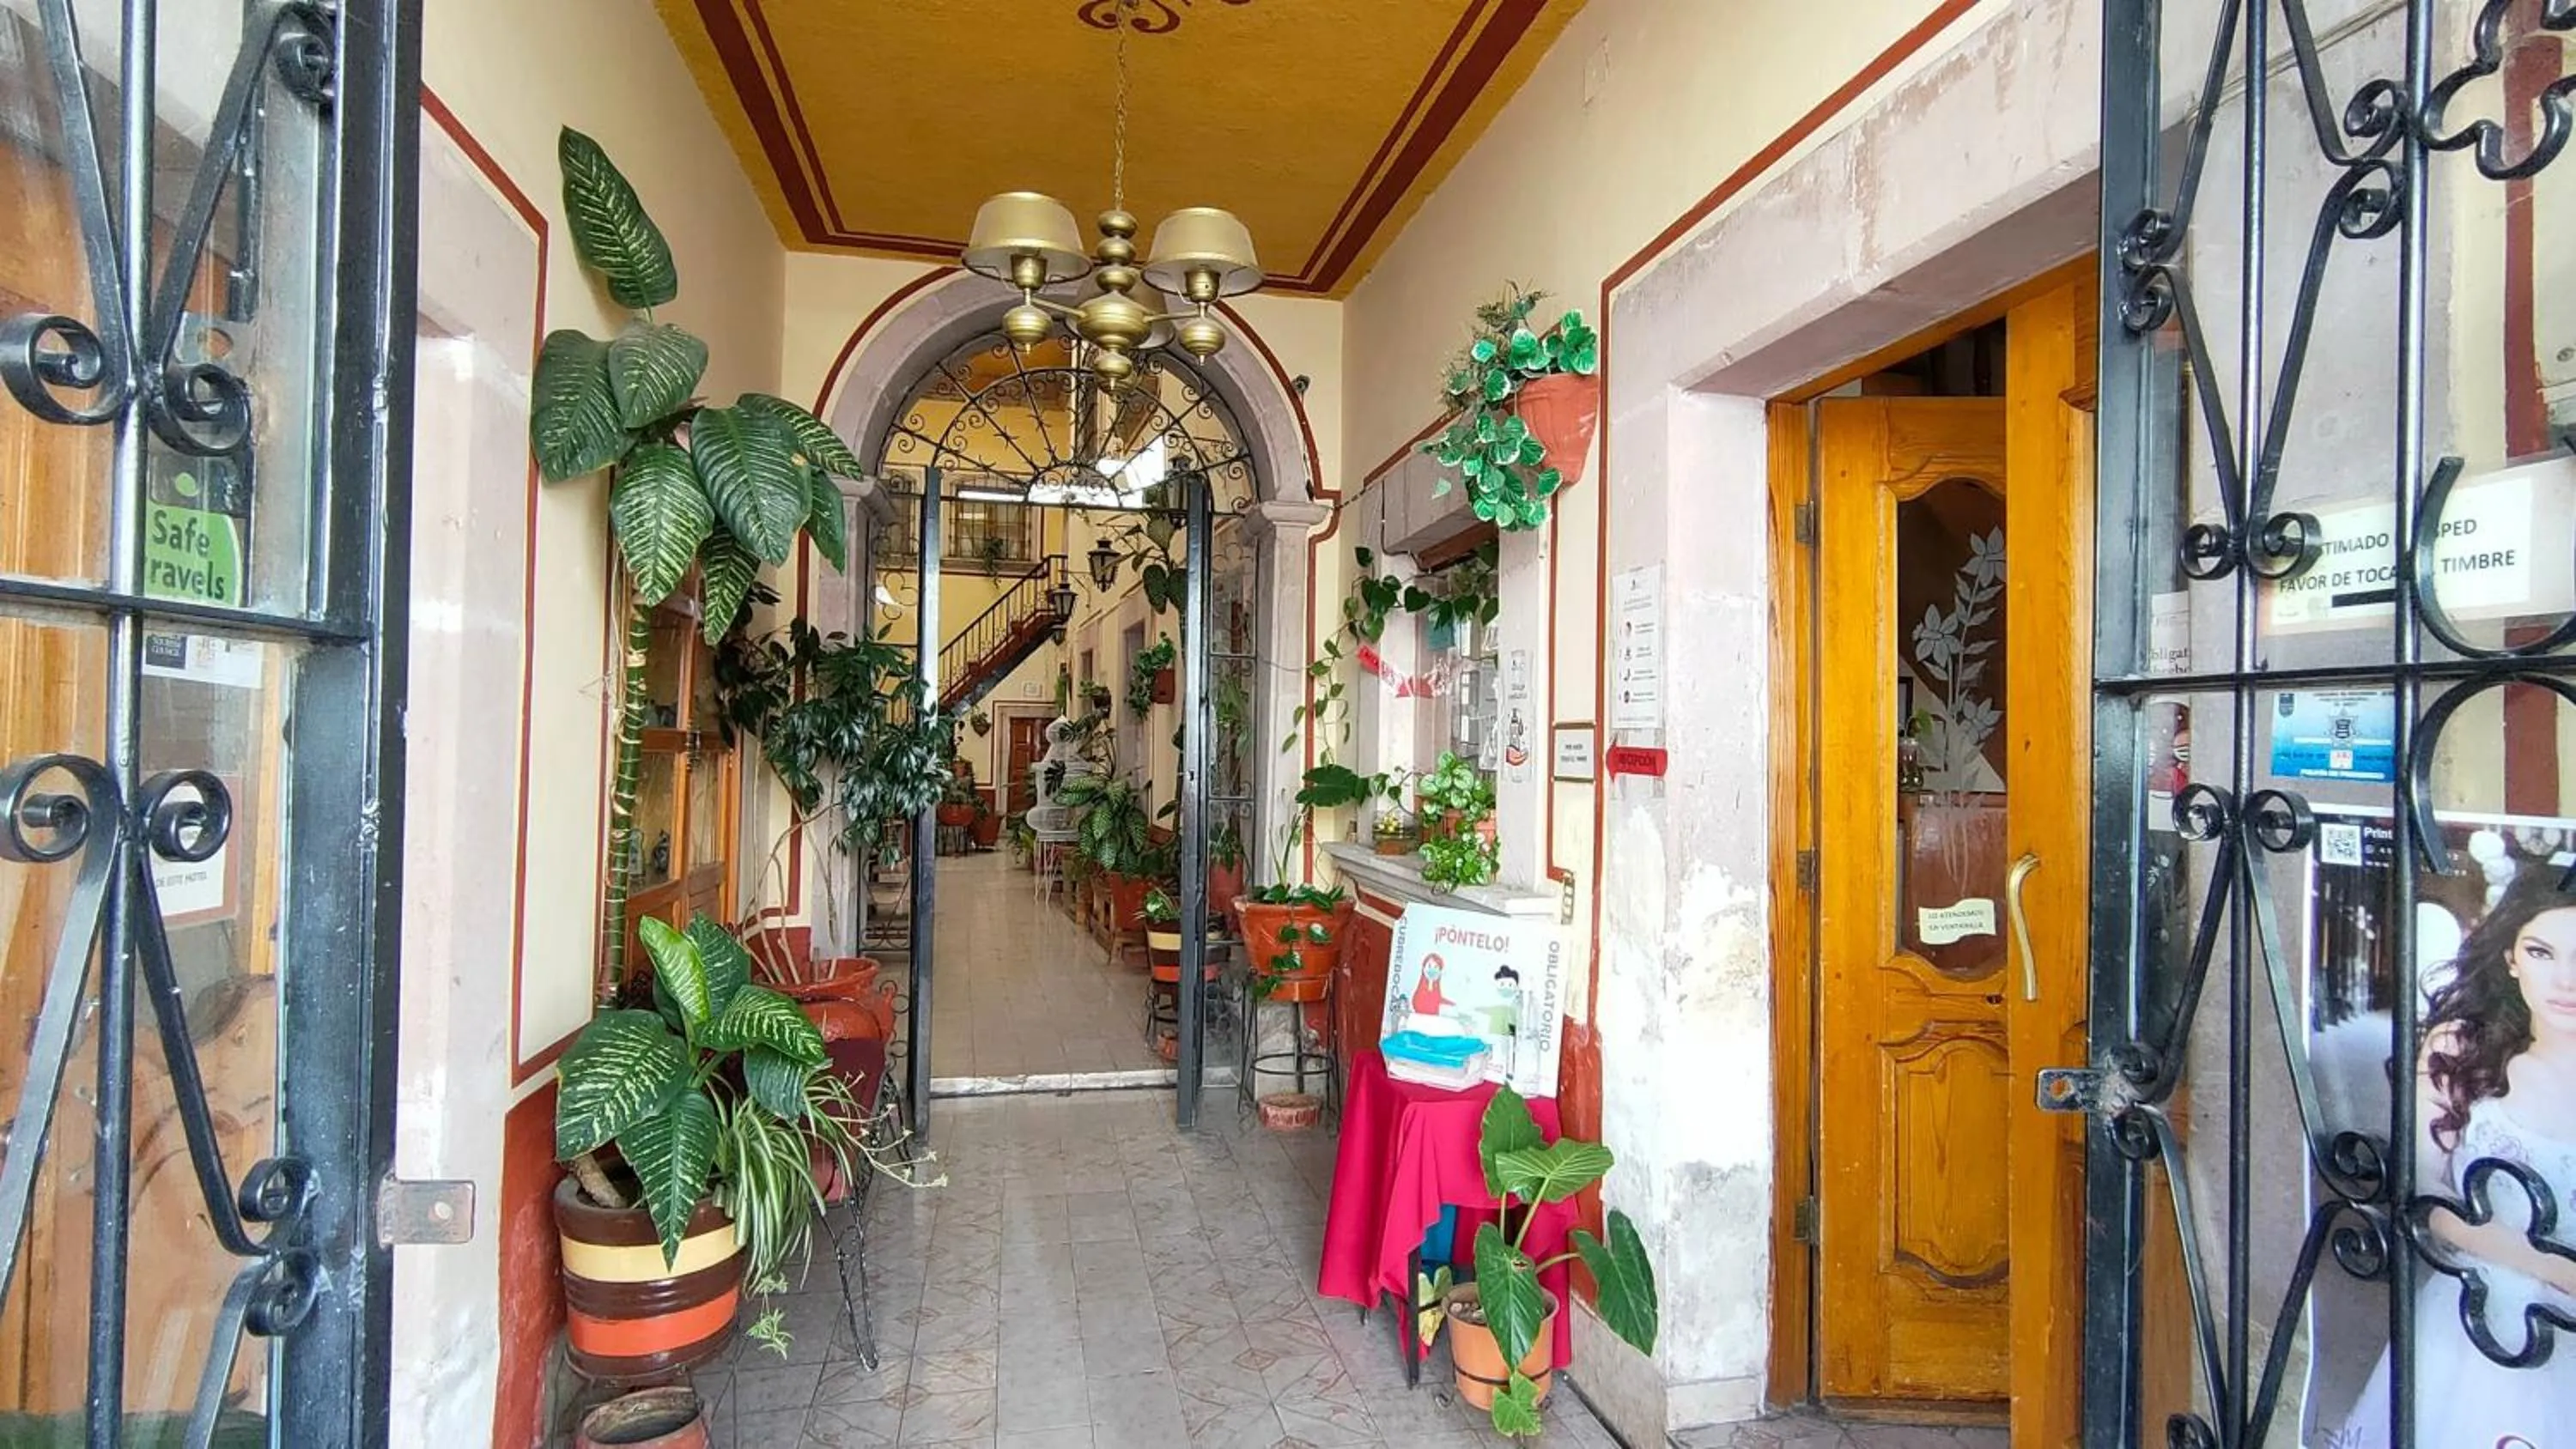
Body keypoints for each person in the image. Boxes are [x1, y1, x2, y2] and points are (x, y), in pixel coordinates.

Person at [2341, 870, 2576, 1446]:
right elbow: (2429, 1200)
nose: (2565, 980)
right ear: (2512, 957)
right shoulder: (2460, 1050)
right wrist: (2555, 1270)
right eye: (2542, 952)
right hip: (2485, 1317)